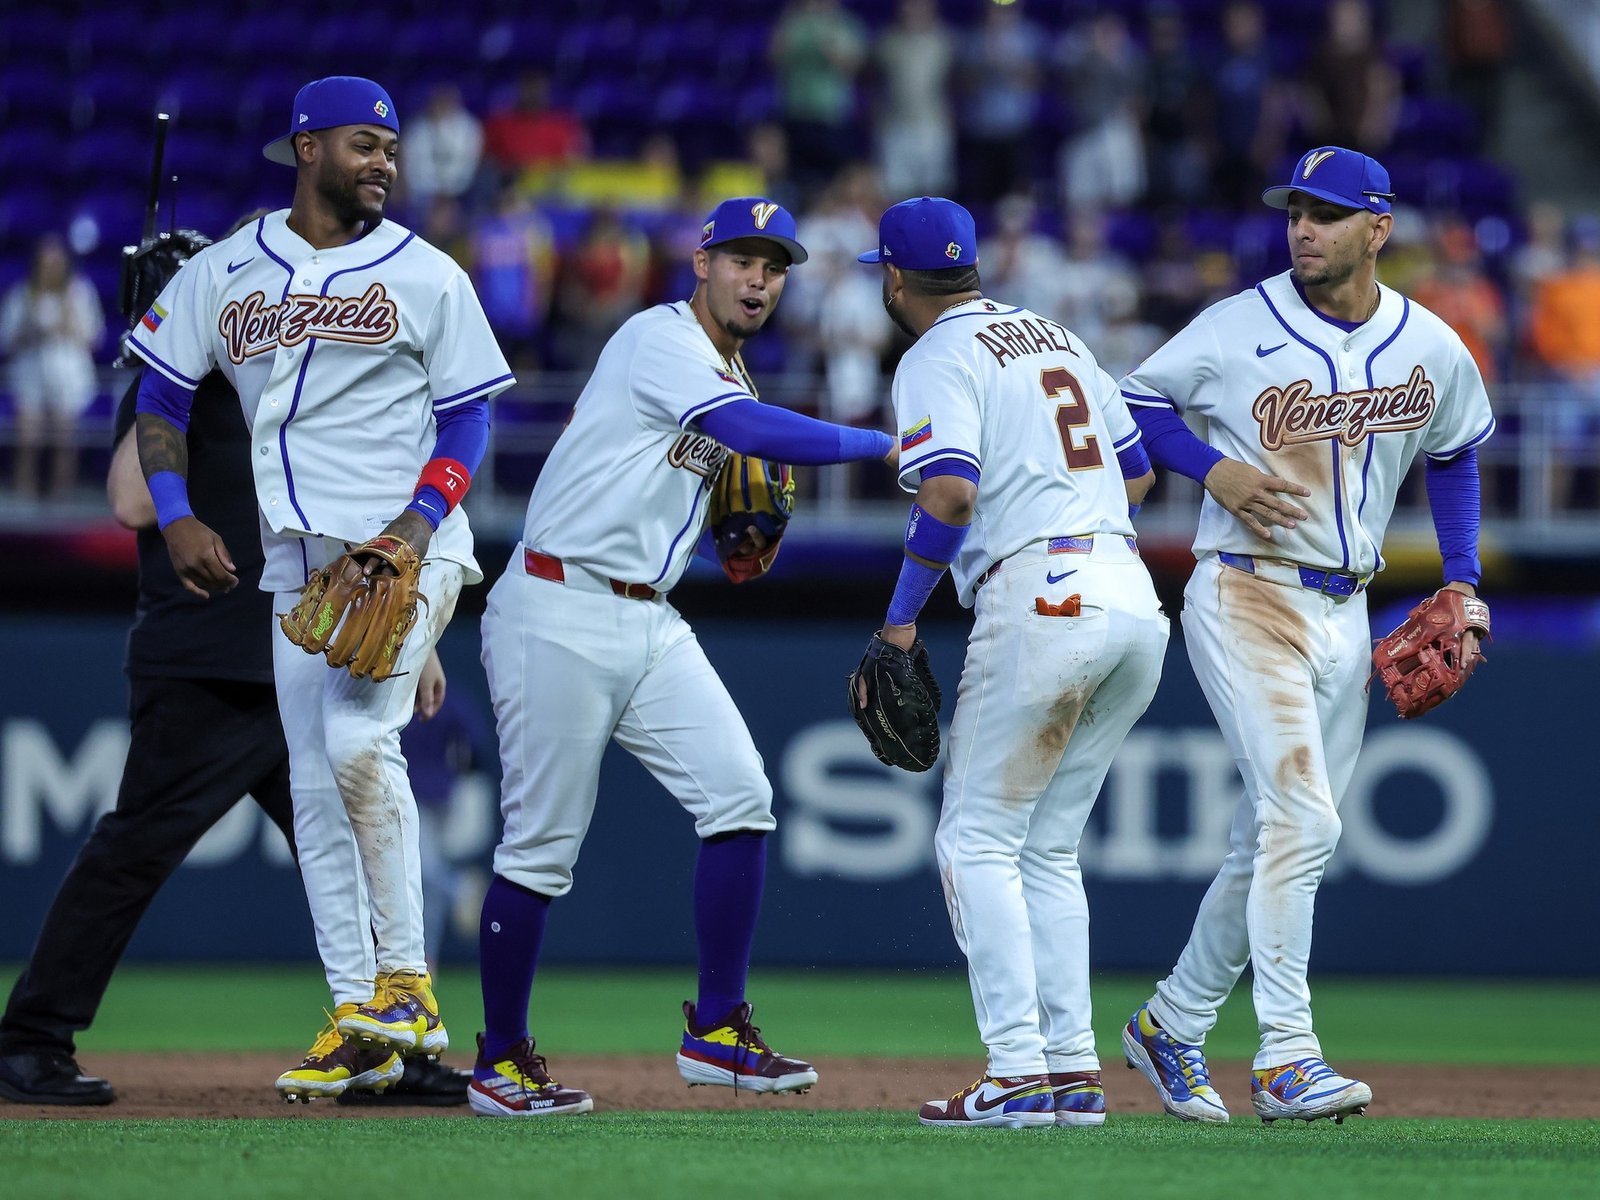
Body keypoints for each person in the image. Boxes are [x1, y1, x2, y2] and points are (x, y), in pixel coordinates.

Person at [124, 76, 514, 1101]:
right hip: (297, 567)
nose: (385, 160)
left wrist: (415, 530)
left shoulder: (428, 274)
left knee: (353, 744)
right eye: (363, 144)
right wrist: (175, 512)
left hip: (406, 548)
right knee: (311, 786)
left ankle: (408, 989)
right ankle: (358, 1021)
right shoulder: (224, 270)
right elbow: (160, 396)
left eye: (391, 147)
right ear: (307, 148)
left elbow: (470, 416)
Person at [471, 197, 899, 1118]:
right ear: (701, 264)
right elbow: (750, 432)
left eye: (774, 268)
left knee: (741, 797)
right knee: (540, 848)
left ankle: (716, 1031)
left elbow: (658, 487)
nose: (759, 280)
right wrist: (885, 443)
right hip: (557, 604)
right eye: (742, 260)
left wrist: (718, 540)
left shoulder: (725, 371)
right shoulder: (657, 338)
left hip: (648, 614)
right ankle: (498, 1061)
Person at [1117, 146, 1494, 1124]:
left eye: (1325, 214)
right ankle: (1287, 1056)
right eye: (1295, 212)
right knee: (1305, 821)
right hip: (1244, 589)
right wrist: (1212, 468)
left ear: (1379, 228)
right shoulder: (1237, 325)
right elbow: (1134, 402)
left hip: (1348, 608)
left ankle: (1170, 1023)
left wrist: (1461, 578)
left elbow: (1454, 452)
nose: (1303, 229)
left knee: (1272, 840)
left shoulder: (1428, 343)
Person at [0, 360, 466, 1107]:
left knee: (353, 852)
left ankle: (385, 1048)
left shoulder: (300, 380)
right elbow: (128, 500)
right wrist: (169, 383)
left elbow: (341, 523)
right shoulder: (178, 384)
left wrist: (421, 643)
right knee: (133, 852)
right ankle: (29, 1040)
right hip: (207, 668)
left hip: (308, 663)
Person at [849, 197, 1166, 1129]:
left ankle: (1018, 1071)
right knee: (1048, 847)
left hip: (1043, 594)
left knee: (975, 840)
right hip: (1132, 593)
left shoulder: (934, 355)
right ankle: (1071, 1070)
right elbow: (1138, 472)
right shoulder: (1058, 335)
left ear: (894, 279)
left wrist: (899, 622)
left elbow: (950, 492)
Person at [0, 234, 104, 499]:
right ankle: (24, 495)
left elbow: (94, 338)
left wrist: (70, 321)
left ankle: (62, 495)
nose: (51, 269)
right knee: (28, 437)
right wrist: (29, 329)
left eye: (55, 263)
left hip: (69, 375)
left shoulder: (80, 293)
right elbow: (6, 340)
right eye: (45, 263)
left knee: (64, 436)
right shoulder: (22, 294)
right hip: (30, 373)